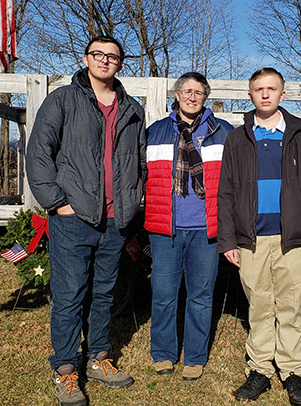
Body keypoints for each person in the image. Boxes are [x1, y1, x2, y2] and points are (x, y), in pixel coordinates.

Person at [26, 35, 145, 406]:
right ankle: (65, 369)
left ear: (120, 64)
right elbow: (38, 152)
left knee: (103, 294)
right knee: (69, 295)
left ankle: (97, 357)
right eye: (98, 54)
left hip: (115, 220)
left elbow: (139, 160)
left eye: (112, 56)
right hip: (74, 219)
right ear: (86, 58)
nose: (105, 61)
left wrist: (133, 199)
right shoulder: (62, 100)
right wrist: (57, 202)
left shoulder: (132, 108)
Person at [217, 68, 301, 405]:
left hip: (291, 240)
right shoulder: (238, 138)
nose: (265, 94)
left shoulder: (300, 134)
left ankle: (293, 372)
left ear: (283, 93)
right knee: (259, 307)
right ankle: (260, 369)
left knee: (291, 307)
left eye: (272, 89)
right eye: (258, 89)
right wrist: (228, 240)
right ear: (249, 95)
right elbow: (226, 193)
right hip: (251, 240)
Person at [144, 72, 234, 381]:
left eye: (198, 92)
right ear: (177, 94)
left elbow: (235, 181)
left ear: (205, 97)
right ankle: (164, 353)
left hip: (206, 228)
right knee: (164, 293)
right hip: (165, 227)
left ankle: (195, 356)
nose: (192, 96)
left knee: (200, 294)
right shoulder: (155, 132)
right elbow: (140, 177)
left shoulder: (223, 132)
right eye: (186, 91)